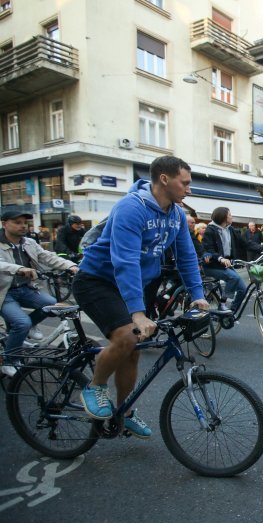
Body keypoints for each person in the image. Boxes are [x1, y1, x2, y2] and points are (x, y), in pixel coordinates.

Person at [72, 156, 208, 438]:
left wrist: (198, 296)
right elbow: (125, 262)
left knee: (132, 352)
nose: (189, 189)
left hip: (135, 284)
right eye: (185, 183)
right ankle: (94, 386)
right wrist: (137, 312)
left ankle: (124, 411)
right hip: (98, 281)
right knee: (127, 336)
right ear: (164, 179)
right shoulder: (130, 208)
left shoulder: (177, 214)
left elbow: (186, 257)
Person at [0, 211, 79, 377]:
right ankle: (10, 361)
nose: (23, 226)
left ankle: (29, 326)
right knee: (21, 323)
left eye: (25, 222)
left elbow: (48, 257)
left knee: (51, 305)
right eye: (17, 222)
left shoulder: (28, 242)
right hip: (5, 293)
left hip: (26, 289)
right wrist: (19, 269)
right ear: (4, 224)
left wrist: (70, 266)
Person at [202, 207, 263, 313]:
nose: (232, 217)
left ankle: (231, 313)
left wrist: (262, 250)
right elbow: (208, 248)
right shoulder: (211, 230)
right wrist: (221, 258)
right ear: (223, 217)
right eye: (230, 215)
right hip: (212, 265)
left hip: (226, 265)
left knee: (243, 289)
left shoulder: (230, 229)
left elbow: (245, 243)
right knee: (233, 277)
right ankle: (222, 304)